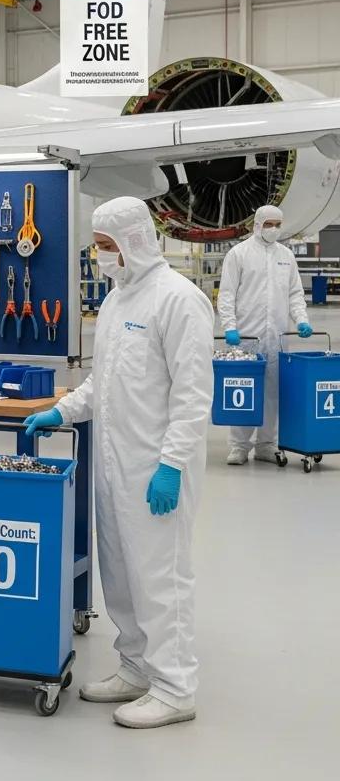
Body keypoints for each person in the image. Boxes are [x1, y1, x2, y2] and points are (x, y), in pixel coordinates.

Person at [25, 197, 214, 729]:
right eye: (97, 246)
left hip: (155, 467)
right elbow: (102, 382)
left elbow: (193, 396)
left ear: (135, 241)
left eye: (107, 246)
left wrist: (172, 465)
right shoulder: (114, 301)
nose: (100, 256)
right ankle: (136, 667)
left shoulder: (179, 300)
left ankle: (175, 688)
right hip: (113, 465)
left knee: (160, 578)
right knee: (121, 575)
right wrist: (62, 411)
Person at [217, 204, 313, 465]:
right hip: (246, 336)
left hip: (277, 337)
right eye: (268, 224)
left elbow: (295, 293)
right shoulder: (239, 254)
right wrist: (229, 326)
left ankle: (266, 444)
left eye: (277, 225)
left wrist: (301, 320)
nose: (273, 229)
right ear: (257, 225)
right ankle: (239, 446)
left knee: (272, 391)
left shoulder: (286, 255)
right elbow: (227, 294)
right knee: (244, 390)